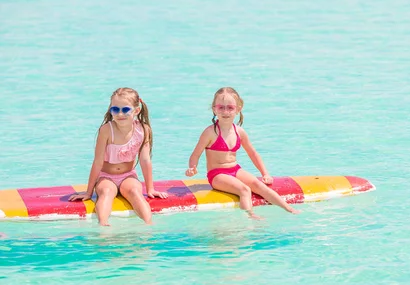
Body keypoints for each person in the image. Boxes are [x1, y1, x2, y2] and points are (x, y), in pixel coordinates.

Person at [185, 87, 300, 219]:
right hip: (217, 175)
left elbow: (253, 154)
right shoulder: (210, 132)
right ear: (214, 109)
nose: (225, 111)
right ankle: (250, 216)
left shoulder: (239, 132)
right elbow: (195, 154)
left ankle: (288, 208)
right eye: (221, 107)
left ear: (238, 109)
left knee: (259, 185)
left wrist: (265, 173)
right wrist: (192, 168)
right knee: (244, 190)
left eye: (230, 107)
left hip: (235, 170)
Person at [69, 87, 168, 225]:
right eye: (115, 109)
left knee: (135, 191)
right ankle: (103, 225)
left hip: (128, 176)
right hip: (106, 177)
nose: (120, 114)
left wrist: (150, 188)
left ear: (136, 110)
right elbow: (97, 162)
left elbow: (145, 160)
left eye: (125, 110)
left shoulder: (143, 130)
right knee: (107, 192)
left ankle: (148, 225)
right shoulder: (106, 130)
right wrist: (88, 192)